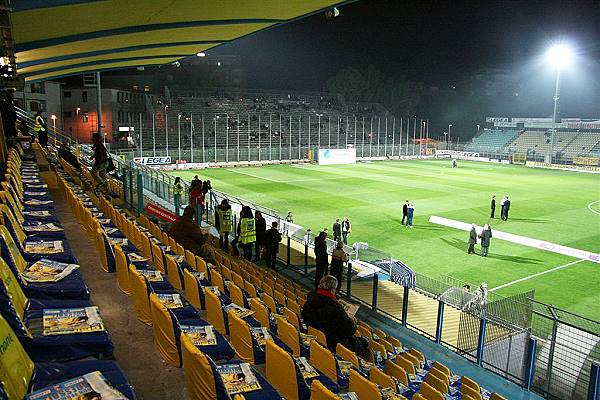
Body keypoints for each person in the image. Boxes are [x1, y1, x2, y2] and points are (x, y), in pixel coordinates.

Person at [301, 275, 357, 352]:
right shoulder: (335, 308)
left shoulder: (311, 299)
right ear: (332, 289)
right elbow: (350, 330)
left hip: (316, 336)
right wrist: (353, 322)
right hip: (332, 343)